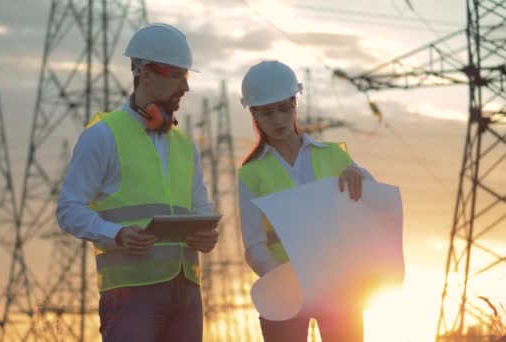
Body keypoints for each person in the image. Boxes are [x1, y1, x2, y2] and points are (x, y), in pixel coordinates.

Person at [56, 23, 219, 342]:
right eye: (176, 75)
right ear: (145, 72)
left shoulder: (186, 146)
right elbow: (68, 210)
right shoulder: (103, 136)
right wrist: (116, 234)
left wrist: (207, 236)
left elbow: (202, 209)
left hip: (187, 293)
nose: (185, 87)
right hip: (130, 296)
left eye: (186, 76)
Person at [237, 60, 374, 342]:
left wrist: (359, 174)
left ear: (294, 105)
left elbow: (374, 201)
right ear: (254, 114)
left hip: (339, 285)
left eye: (283, 109)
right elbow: (254, 246)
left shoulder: (334, 156)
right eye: (266, 113)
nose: (277, 120)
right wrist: (285, 280)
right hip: (283, 290)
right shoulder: (252, 174)